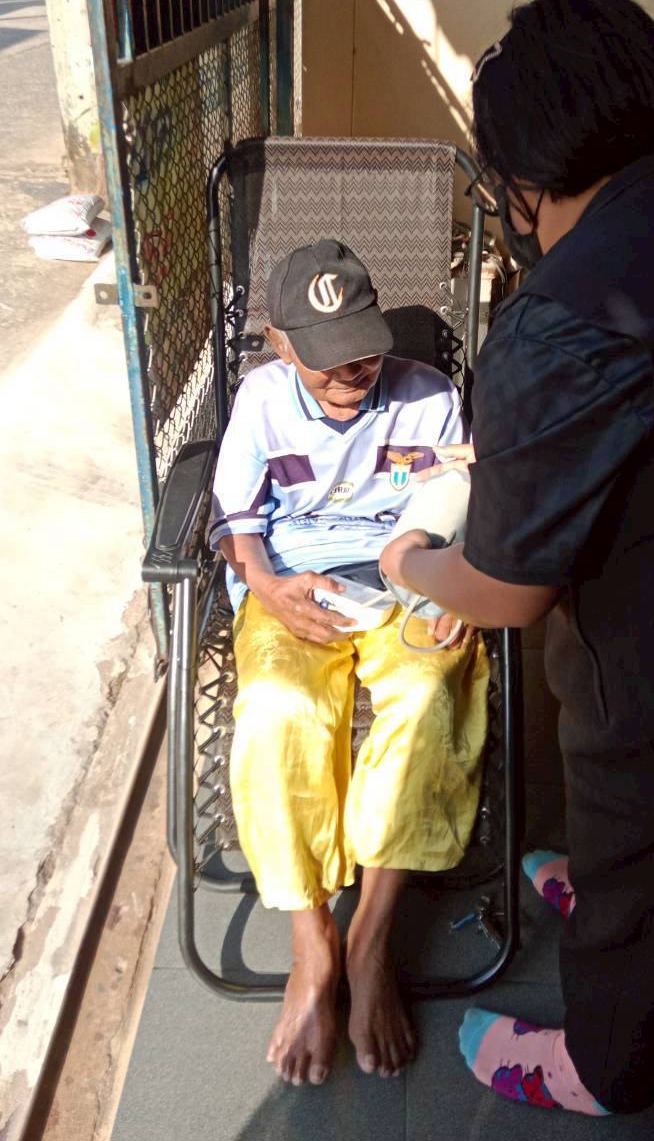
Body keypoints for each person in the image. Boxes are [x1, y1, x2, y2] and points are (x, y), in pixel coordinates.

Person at [380, 0, 654, 1116]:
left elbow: (504, 590)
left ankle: (604, 1063)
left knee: (651, 824)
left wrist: (407, 559)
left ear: (521, 176)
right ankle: (632, 904)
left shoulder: (565, 316)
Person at [209, 238, 489, 1087]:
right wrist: (267, 585)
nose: (349, 373)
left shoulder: (427, 396)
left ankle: (369, 939)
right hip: (295, 579)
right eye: (323, 358)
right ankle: (314, 942)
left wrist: (453, 583)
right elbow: (236, 521)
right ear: (278, 342)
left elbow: (457, 499)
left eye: (361, 350)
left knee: (432, 694)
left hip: (408, 573)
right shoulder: (262, 401)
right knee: (276, 709)